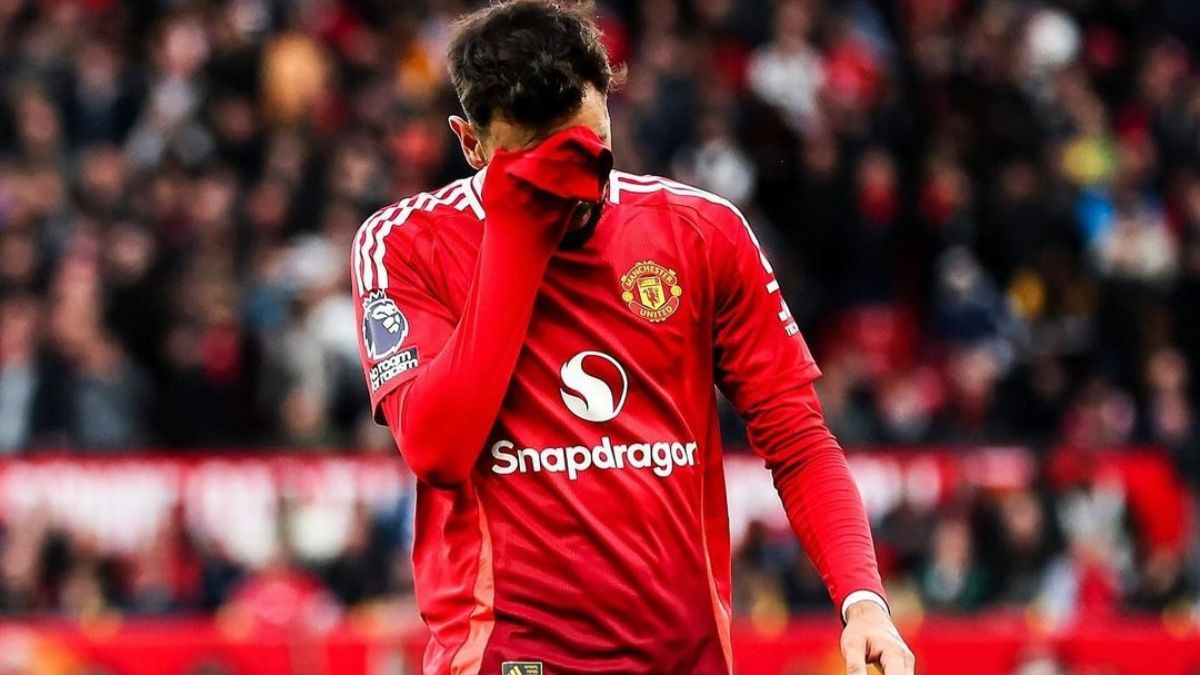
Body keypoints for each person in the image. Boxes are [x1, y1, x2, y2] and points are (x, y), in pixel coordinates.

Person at [349, 2, 913, 673]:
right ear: (471, 144)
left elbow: (799, 439)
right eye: (537, 159)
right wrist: (518, 226)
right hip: (510, 656)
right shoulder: (406, 243)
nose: (575, 180)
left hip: (684, 658)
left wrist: (862, 600)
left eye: (590, 144)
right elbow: (437, 447)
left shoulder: (701, 232)